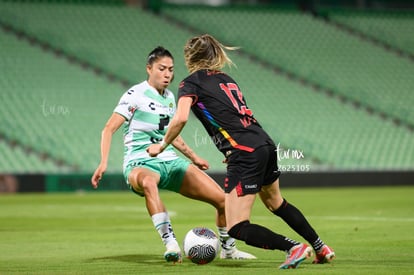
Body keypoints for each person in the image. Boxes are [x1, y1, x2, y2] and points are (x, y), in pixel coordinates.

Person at [147, 35, 335, 269]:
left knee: (236, 226)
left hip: (244, 152)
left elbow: (181, 117)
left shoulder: (190, 83)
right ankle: (320, 247)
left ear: (189, 58)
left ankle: (293, 247)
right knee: (276, 203)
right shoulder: (227, 79)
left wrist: (162, 144)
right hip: (264, 143)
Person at [91, 46, 256, 264]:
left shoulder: (170, 97)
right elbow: (108, 128)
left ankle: (228, 248)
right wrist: (103, 162)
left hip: (170, 161)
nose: (168, 74)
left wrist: (194, 157)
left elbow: (171, 135)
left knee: (222, 200)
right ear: (149, 69)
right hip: (140, 162)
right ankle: (170, 243)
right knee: (149, 182)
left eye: (171, 69)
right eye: (162, 68)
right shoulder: (135, 95)